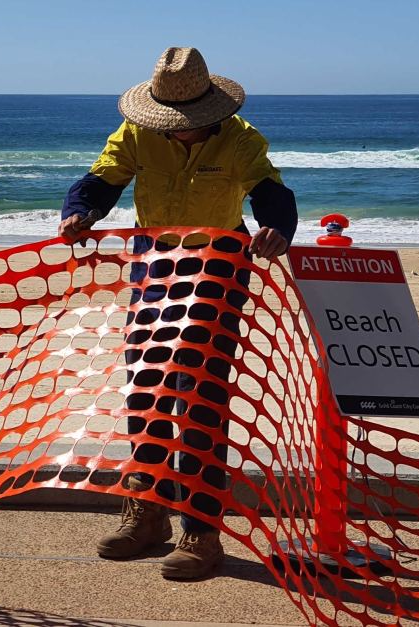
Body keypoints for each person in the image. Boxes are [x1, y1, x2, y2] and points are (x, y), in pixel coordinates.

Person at [58, 47, 297, 580]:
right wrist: (80, 213)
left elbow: (271, 193)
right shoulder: (136, 133)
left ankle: (201, 532)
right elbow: (101, 181)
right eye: (173, 125)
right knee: (144, 392)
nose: (181, 133)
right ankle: (148, 516)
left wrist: (277, 230)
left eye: (190, 125)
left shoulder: (241, 138)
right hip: (156, 267)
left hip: (217, 271)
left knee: (198, 399)